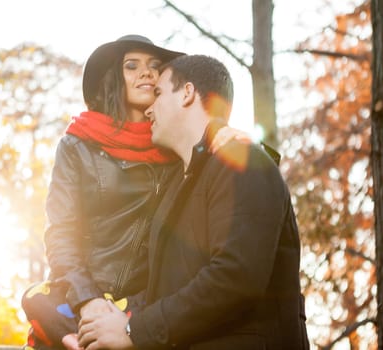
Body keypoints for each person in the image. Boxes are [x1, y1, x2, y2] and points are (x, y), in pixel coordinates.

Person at [20, 37, 249, 350]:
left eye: (155, 67)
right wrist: (88, 300)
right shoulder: (77, 145)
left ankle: (87, 337)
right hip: (79, 292)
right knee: (37, 297)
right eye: (132, 66)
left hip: (144, 301)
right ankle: (80, 333)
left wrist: (222, 132)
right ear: (115, 76)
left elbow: (207, 138)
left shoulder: (176, 148)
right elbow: (61, 234)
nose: (146, 73)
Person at [77, 55, 310, 350]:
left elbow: (235, 277)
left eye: (158, 93)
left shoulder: (244, 161)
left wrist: (133, 330)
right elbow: (167, 292)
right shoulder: (179, 186)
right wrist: (104, 316)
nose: (148, 108)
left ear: (187, 93)